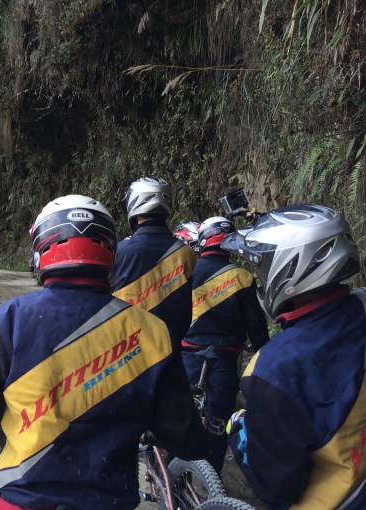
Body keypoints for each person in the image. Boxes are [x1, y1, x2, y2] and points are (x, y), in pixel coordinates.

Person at [0, 194, 207, 510]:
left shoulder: (5, 322)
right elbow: (183, 435)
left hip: (21, 501)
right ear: (110, 254)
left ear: (42, 251)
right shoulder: (152, 330)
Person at [223, 204, 366, 509]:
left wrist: (238, 429)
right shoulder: (362, 306)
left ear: (289, 270)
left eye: (262, 270)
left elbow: (273, 484)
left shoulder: (274, 369)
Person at [180, 216, 269, 474]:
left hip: (189, 352)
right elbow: (255, 323)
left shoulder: (187, 272)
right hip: (226, 356)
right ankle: (212, 475)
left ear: (203, 239)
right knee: (219, 417)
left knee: (183, 411)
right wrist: (262, 347)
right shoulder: (242, 276)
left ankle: (179, 472)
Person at [112, 176, 198, 352]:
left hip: (127, 351)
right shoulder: (186, 253)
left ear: (133, 204)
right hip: (171, 350)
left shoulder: (118, 252)